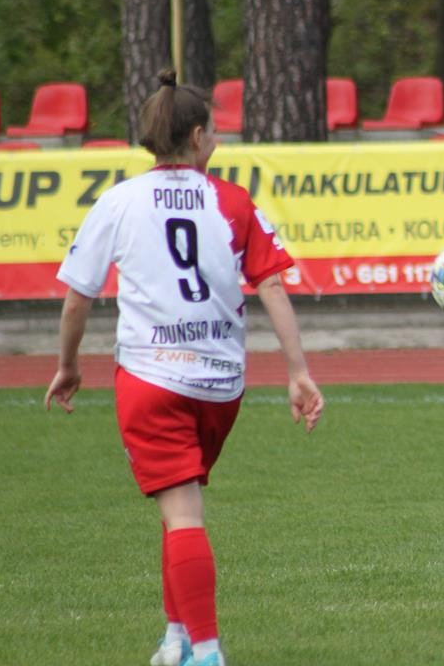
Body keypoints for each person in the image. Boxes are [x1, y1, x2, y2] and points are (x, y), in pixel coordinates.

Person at [44, 69, 325, 666]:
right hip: (221, 385)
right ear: (197, 137)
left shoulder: (119, 201)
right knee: (181, 508)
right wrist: (298, 371)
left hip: (150, 380)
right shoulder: (233, 201)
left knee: (181, 513)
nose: (216, 140)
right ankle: (176, 638)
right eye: (215, 132)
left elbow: (77, 299)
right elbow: (272, 285)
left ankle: (207, 651)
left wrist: (68, 365)